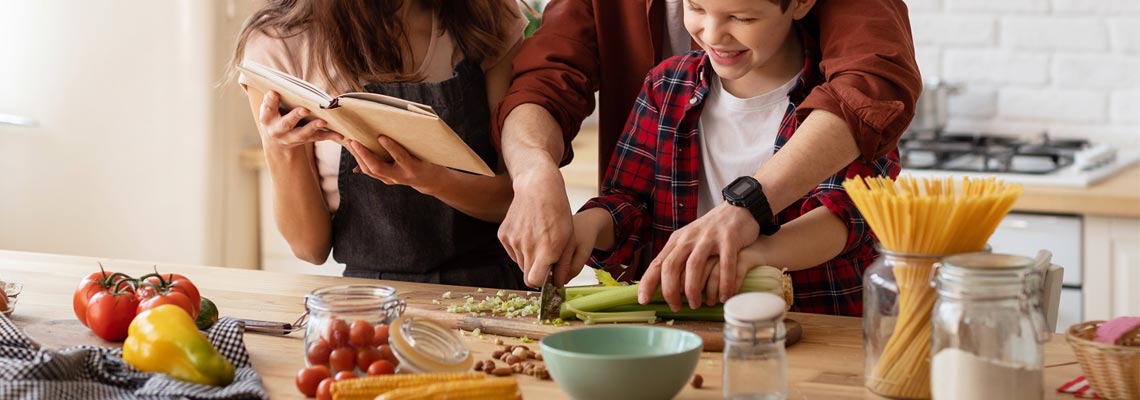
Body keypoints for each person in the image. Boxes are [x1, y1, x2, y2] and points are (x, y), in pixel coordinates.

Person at [494, 0, 921, 304]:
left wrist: (751, 251)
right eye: (694, 9)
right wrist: (582, 222)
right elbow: (629, 201)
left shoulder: (825, 98)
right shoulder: (665, 86)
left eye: (741, 16)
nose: (712, 35)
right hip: (687, 329)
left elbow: (850, 213)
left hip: (819, 318)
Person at [232, 0, 530, 289]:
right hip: (372, 303)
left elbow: (515, 201)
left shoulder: (485, 13)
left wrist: (434, 180)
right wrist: (281, 146)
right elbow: (310, 248)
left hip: (494, 290)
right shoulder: (280, 44)